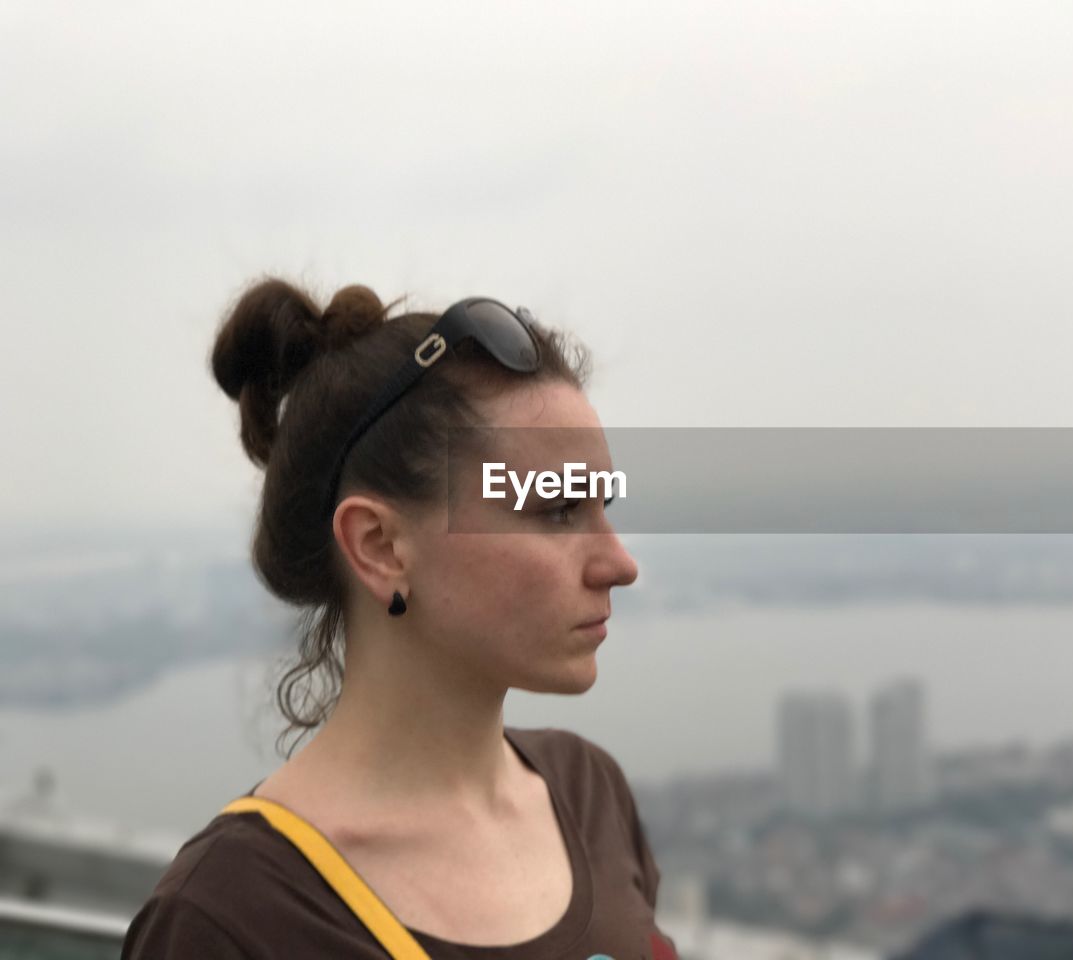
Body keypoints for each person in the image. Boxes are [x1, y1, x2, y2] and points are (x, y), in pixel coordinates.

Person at [122, 278, 679, 960]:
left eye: (604, 507)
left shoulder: (590, 794)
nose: (619, 563)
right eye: (558, 510)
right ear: (380, 547)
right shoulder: (229, 918)